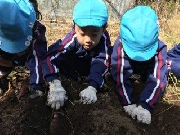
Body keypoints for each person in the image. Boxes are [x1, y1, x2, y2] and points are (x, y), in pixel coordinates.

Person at [42, 0, 112, 110]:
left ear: (103, 29)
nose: (88, 40)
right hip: (72, 68)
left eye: (94, 34)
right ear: (75, 27)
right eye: (83, 33)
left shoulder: (103, 42)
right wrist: (54, 83)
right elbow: (50, 57)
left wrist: (92, 87)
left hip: (89, 69)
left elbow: (101, 62)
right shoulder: (72, 38)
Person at [111, 6, 168, 124]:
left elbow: (158, 79)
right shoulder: (120, 45)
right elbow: (120, 73)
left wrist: (145, 105)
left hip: (146, 73)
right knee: (113, 72)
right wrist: (127, 102)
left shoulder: (160, 49)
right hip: (131, 72)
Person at [0, 0, 47, 98]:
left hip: (23, 58)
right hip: (4, 57)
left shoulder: (35, 31)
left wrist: (36, 87)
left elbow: (37, 57)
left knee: (31, 62)